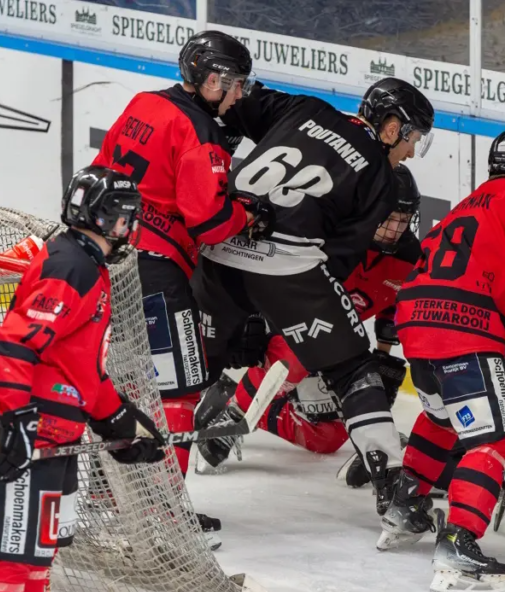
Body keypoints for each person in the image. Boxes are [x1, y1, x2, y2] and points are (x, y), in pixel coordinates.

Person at [0, 167, 165, 592]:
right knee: (7, 556)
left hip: (55, 438)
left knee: (36, 556)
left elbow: (78, 371)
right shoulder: (70, 263)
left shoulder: (89, 269)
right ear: (92, 216)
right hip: (28, 438)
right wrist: (16, 421)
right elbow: (10, 344)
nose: (126, 229)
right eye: (119, 219)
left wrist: (119, 426)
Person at [190, 77, 434, 514]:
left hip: (219, 240)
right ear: (392, 127)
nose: (411, 151)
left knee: (192, 364)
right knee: (354, 364)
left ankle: (124, 475)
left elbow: (232, 105)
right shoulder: (378, 176)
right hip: (284, 265)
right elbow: (333, 262)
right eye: (413, 137)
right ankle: (393, 489)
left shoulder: (305, 108)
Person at [92, 30, 271, 542]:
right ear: (211, 79)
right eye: (234, 84)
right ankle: (166, 516)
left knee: (123, 382)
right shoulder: (199, 132)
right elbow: (210, 223)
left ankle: (110, 495)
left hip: (109, 258)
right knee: (180, 389)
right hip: (156, 271)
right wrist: (248, 212)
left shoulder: (142, 103)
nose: (238, 95)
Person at [379, 129, 505, 592]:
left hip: (417, 320)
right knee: (495, 436)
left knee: (441, 418)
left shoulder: (469, 205)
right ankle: (460, 545)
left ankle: (406, 505)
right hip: (463, 323)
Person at [194, 164, 422, 469]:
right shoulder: (334, 236)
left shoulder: (409, 258)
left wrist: (383, 357)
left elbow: (395, 305)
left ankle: (236, 399)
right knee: (295, 355)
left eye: (403, 220)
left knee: (327, 438)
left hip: (335, 345)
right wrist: (257, 316)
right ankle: (232, 416)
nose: (395, 229)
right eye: (390, 218)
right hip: (290, 325)